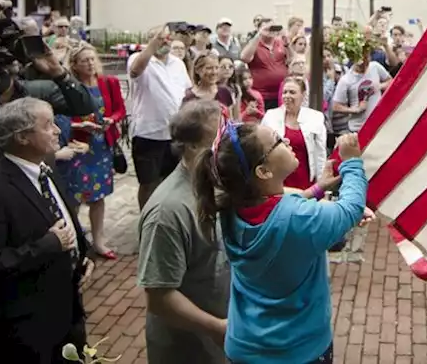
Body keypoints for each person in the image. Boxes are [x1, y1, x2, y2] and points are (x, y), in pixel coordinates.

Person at [193, 123, 367, 364]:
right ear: (263, 171)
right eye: (276, 140)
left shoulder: (231, 207)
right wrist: (352, 162)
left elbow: (279, 205)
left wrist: (318, 189)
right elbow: (351, 209)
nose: (285, 139)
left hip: (244, 346)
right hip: (298, 352)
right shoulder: (300, 218)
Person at [0, 98, 95, 364]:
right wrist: (48, 246)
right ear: (22, 137)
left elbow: (65, 226)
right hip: (23, 334)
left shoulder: (45, 169)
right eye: (48, 125)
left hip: (64, 313)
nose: (57, 130)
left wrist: (81, 256)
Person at [137, 101, 231, 364]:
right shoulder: (167, 211)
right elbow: (159, 297)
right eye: (219, 136)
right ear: (191, 146)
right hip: (189, 350)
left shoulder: (211, 182)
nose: (227, 143)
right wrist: (217, 328)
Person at [66, 45, 121, 259]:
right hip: (79, 147)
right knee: (75, 195)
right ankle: (76, 240)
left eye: (92, 59)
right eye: (84, 60)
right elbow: (62, 118)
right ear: (74, 65)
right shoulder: (70, 87)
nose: (90, 64)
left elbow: (119, 109)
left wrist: (112, 120)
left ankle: (98, 240)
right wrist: (78, 127)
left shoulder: (109, 82)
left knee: (98, 196)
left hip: (102, 147)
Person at [128, 26, 193, 207]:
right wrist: (152, 45)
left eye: (166, 38)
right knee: (148, 183)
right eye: (157, 38)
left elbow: (187, 91)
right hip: (148, 134)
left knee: (174, 181)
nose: (163, 41)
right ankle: (147, 219)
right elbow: (135, 71)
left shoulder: (177, 63)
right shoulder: (139, 59)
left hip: (174, 134)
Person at [261, 77, 327, 192]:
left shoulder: (315, 118)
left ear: (303, 95)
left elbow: (320, 153)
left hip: (305, 180)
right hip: (278, 179)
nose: (287, 96)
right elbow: (262, 147)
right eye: (285, 92)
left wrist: (321, 184)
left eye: (292, 92)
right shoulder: (270, 116)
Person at [240, 17, 287, 110]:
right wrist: (259, 34)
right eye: (267, 28)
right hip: (262, 95)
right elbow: (244, 58)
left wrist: (287, 41)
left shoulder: (281, 42)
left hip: (281, 94)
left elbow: (293, 60)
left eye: (273, 27)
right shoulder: (255, 43)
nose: (270, 30)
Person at [184, 51, 236, 121]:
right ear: (197, 70)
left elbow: (230, 121)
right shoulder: (189, 96)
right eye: (209, 68)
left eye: (217, 68)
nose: (214, 72)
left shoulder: (224, 92)